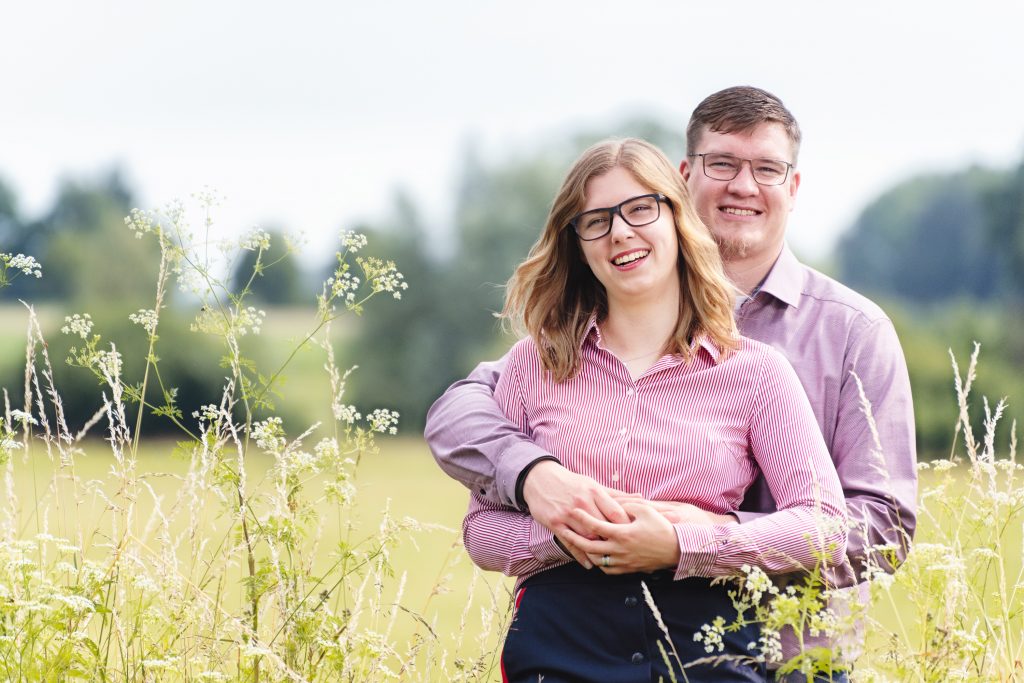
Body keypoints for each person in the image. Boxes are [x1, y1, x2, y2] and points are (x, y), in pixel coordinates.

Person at [426, 87, 917, 680]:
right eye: (722, 165)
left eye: (766, 168)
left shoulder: (827, 339)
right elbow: (460, 421)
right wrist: (544, 487)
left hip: (775, 655)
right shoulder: (543, 359)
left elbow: (864, 526)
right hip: (564, 649)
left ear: (793, 186)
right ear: (687, 179)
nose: (742, 185)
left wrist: (697, 537)